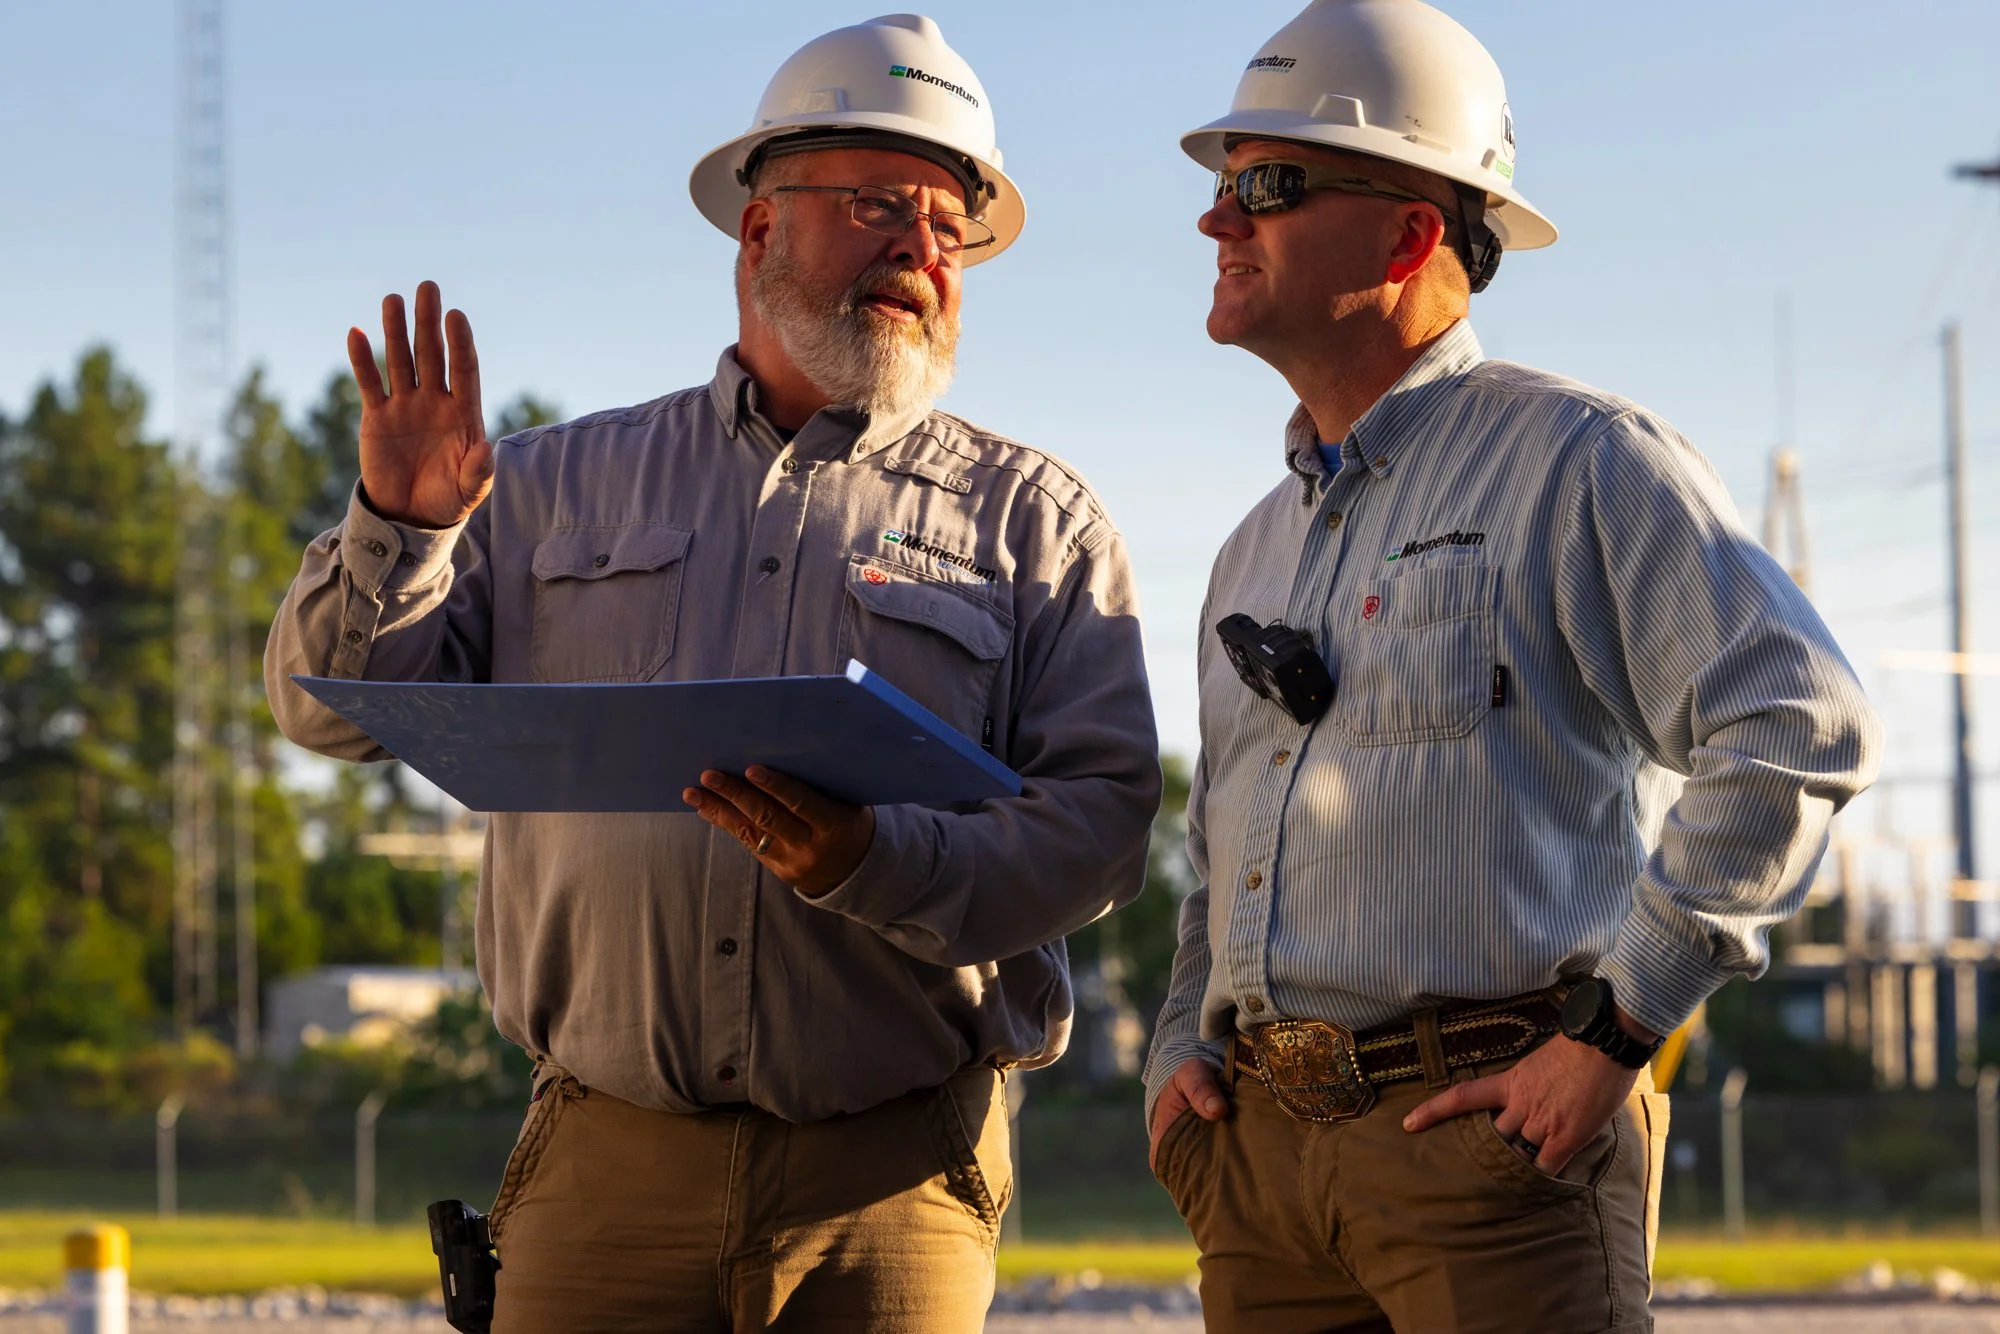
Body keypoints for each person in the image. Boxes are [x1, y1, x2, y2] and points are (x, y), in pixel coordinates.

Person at [266, 14, 1160, 1331]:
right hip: (604, 1168)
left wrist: (876, 858)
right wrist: (402, 529)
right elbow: (326, 711)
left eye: (947, 228)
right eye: (875, 206)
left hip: (894, 1181)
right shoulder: (540, 487)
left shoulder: (1040, 522)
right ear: (757, 232)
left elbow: (1101, 830)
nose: (919, 247)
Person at [1141, 3, 1881, 1330]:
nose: (1218, 221)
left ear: (1411, 233)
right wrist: (1180, 1058)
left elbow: (1797, 721)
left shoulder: (1577, 461)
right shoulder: (1251, 552)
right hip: (1260, 1178)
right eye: (1219, 187)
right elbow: (1217, 850)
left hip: (1492, 1163)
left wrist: (1616, 1032)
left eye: (1263, 183)